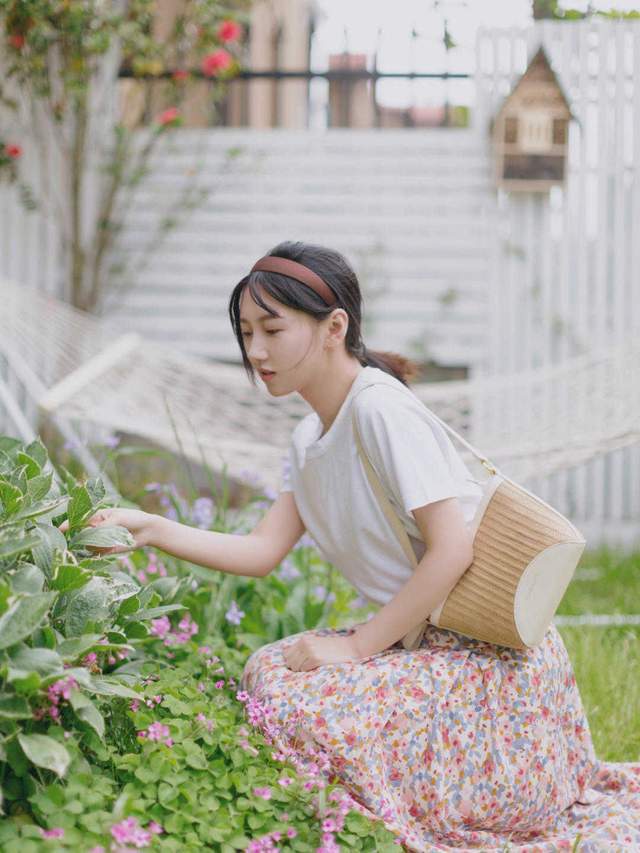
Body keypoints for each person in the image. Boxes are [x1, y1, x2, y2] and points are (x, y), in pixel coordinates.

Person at [72, 241, 640, 851]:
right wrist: (153, 527)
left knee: (312, 707)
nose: (255, 351)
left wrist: (360, 647)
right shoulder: (307, 435)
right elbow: (263, 552)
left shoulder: (380, 410)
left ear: (333, 327)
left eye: (272, 328)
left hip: (489, 660)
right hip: (421, 645)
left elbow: (453, 551)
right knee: (269, 669)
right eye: (245, 332)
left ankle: (432, 808)